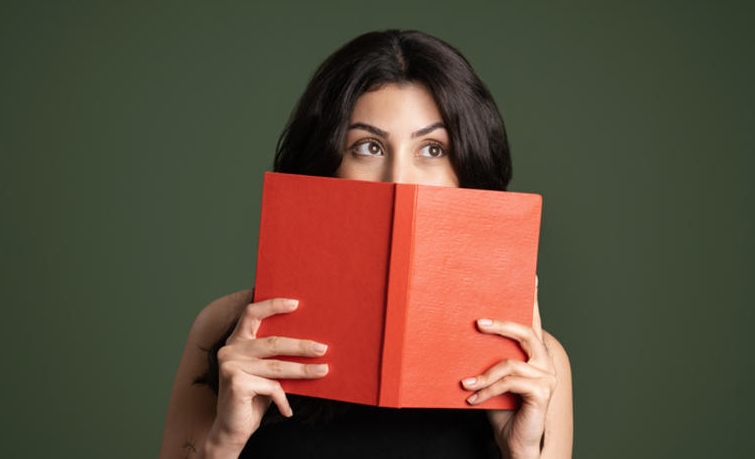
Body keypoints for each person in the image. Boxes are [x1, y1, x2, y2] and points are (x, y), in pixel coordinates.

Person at [159, 29, 573, 458]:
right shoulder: (227, 328)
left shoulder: (534, 363)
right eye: (368, 146)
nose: (398, 179)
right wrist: (225, 441)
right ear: (325, 164)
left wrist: (522, 450)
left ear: (467, 172)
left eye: (432, 149)